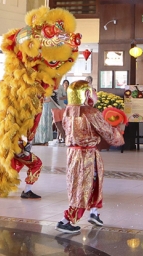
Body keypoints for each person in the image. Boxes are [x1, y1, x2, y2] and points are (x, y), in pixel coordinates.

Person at [57, 80, 125, 234]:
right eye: (93, 91)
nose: (96, 94)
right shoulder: (90, 112)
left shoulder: (68, 110)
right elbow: (107, 132)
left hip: (74, 153)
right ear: (86, 94)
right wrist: (118, 134)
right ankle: (66, 220)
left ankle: (94, 212)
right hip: (86, 154)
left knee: (92, 181)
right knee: (83, 185)